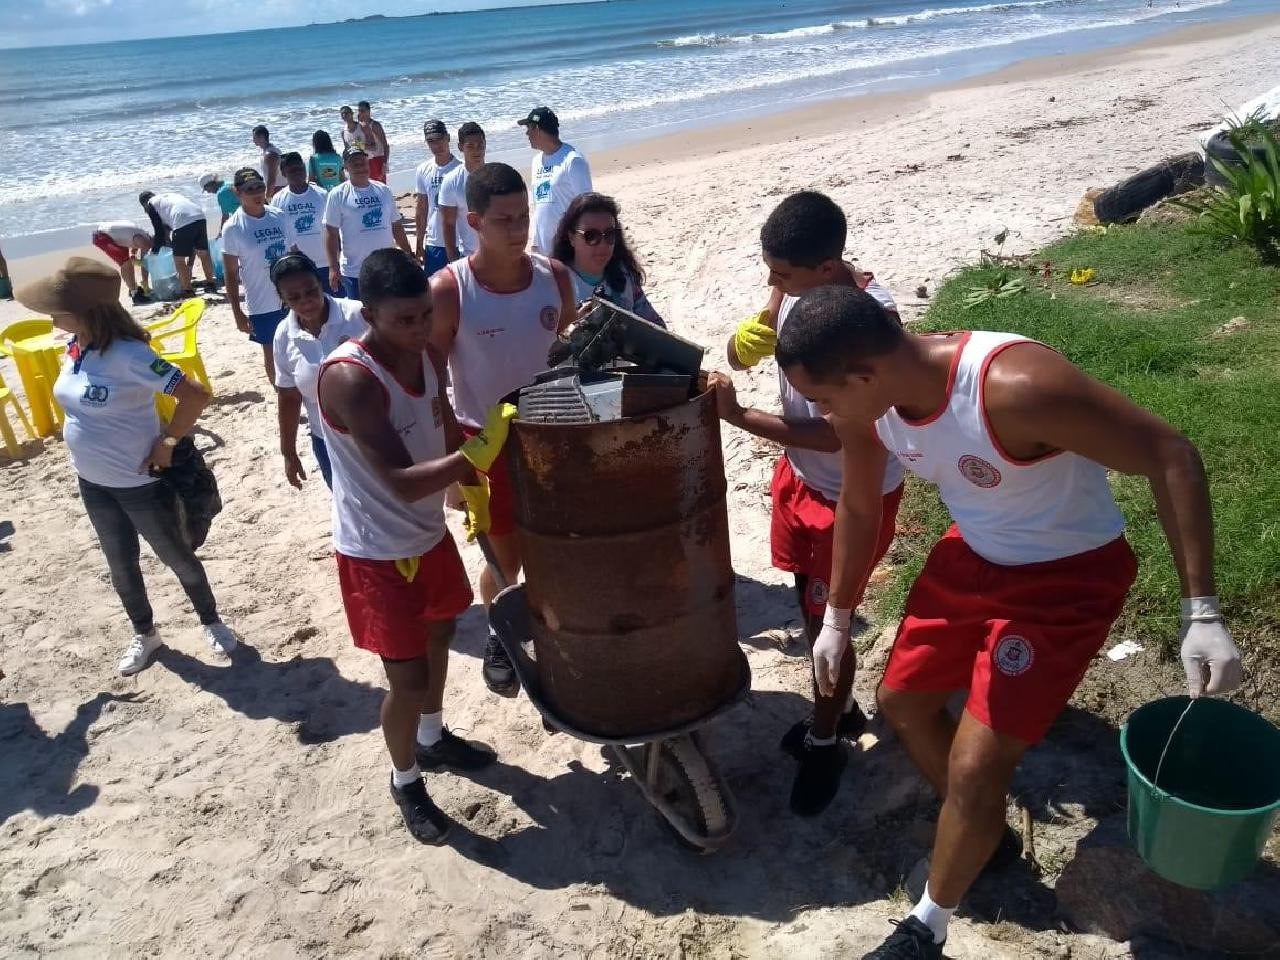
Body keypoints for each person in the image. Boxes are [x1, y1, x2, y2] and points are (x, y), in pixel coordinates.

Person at [773, 286, 1245, 960]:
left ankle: (927, 924)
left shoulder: (1016, 387)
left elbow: (1171, 455)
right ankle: (982, 829)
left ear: (864, 375)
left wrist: (1202, 611)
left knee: (973, 764)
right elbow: (857, 505)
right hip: (972, 555)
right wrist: (837, 617)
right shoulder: (873, 407)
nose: (825, 414)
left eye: (825, 399)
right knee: (902, 701)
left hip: (1065, 575)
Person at [714, 191, 904, 816]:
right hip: (800, 475)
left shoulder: (867, 324)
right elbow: (773, 313)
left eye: (783, 276)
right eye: (769, 273)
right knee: (805, 597)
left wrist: (741, 416)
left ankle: (826, 740)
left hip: (848, 491)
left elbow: (839, 433)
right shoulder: (804, 287)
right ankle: (841, 709)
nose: (774, 286)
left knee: (832, 620)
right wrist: (759, 326)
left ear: (826, 271)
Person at [316, 247, 507, 844]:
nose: (422, 327)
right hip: (375, 550)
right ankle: (405, 780)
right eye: (404, 319)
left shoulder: (423, 351)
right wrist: (476, 453)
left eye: (425, 314)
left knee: (442, 635)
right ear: (368, 313)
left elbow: (442, 418)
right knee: (405, 679)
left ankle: (433, 737)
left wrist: (472, 488)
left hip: (429, 536)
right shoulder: (351, 379)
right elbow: (398, 484)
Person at [15, 257, 238, 675]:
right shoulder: (74, 347)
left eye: (55, 308)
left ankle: (211, 621)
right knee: (120, 563)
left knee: (178, 557)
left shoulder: (130, 355)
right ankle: (146, 634)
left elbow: (194, 394)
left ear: (85, 311)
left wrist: (167, 442)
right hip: (93, 482)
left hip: (139, 483)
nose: (49, 315)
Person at [429, 162, 576, 695]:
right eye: (504, 221)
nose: (518, 230)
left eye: (524, 217)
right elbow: (430, 382)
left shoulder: (554, 278)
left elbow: (568, 356)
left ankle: (558, 630)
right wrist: (454, 459)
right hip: (486, 444)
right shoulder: (450, 289)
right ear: (474, 222)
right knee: (502, 555)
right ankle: (500, 631)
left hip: (553, 434)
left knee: (558, 548)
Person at [270, 252, 365, 490]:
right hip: (327, 442)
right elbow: (289, 397)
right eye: (294, 297)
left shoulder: (358, 315)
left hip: (376, 435)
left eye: (311, 291)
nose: (306, 301)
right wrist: (289, 453)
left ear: (320, 284)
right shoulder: (283, 336)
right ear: (282, 299)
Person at [551, 192, 664, 327]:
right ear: (571, 237)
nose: (603, 244)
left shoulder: (624, 275)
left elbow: (655, 325)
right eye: (591, 236)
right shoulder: (555, 283)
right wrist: (571, 328)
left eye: (610, 234)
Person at [220, 168, 290, 383]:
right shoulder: (232, 228)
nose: (256, 193)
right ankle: (283, 395)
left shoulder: (278, 216)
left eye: (259, 187)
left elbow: (293, 254)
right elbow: (230, 273)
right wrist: (237, 312)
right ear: (237, 192)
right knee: (272, 353)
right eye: (249, 189)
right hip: (261, 302)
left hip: (290, 297)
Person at [323, 145, 414, 301]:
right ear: (345, 166)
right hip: (354, 271)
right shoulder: (337, 194)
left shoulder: (384, 190)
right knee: (360, 318)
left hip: (385, 268)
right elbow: (330, 233)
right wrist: (333, 266)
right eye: (354, 163)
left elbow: (396, 226)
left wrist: (408, 254)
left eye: (362, 162)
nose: (360, 167)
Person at [519, 107, 592, 255]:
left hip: (568, 247)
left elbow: (587, 207)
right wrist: (535, 243)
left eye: (529, 128)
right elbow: (540, 206)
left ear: (538, 129)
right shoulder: (536, 162)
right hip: (544, 248)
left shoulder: (572, 160)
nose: (526, 133)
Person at [139, 190, 217, 296]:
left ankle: (187, 290)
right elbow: (167, 229)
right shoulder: (168, 197)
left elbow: (159, 232)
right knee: (203, 253)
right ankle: (210, 283)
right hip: (199, 217)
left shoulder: (150, 204)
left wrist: (155, 251)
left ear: (144, 204)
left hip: (181, 220)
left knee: (179, 260)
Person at [272, 152, 331, 290]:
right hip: (297, 265)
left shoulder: (322, 194)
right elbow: (279, 234)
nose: (298, 173)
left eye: (300, 169)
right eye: (292, 170)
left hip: (325, 262)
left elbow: (332, 228)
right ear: (283, 172)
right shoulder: (278, 200)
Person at [414, 119, 461, 278]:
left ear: (447, 137)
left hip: (459, 242)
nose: (436, 145)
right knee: (434, 293)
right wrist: (419, 243)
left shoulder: (461, 168)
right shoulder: (423, 169)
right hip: (434, 243)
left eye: (439, 139)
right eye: (431, 141)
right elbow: (421, 209)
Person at [437, 122, 486, 263]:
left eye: (480, 145)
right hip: (469, 256)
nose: (477, 151)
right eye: (470, 146)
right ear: (460, 147)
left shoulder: (495, 175)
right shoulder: (451, 181)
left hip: (499, 254)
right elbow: (448, 224)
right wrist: (453, 261)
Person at [91, 220, 153, 305]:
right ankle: (135, 294)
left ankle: (132, 288)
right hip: (103, 237)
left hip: (111, 235)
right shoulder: (145, 243)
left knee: (125, 261)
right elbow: (145, 264)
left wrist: (133, 254)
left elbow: (134, 242)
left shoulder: (142, 235)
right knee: (126, 262)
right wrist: (145, 285)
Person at [356, 101, 390, 183]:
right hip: (366, 160)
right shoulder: (359, 126)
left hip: (377, 158)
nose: (361, 113)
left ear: (369, 111)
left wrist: (385, 164)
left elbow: (386, 145)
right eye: (359, 111)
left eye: (363, 111)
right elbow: (359, 144)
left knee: (380, 186)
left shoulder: (375, 125)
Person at [253, 125, 282, 196]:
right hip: (275, 189)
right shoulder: (267, 151)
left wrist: (267, 196)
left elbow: (272, 179)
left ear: (262, 138)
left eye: (254, 137)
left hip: (277, 191)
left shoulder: (270, 154)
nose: (253, 140)